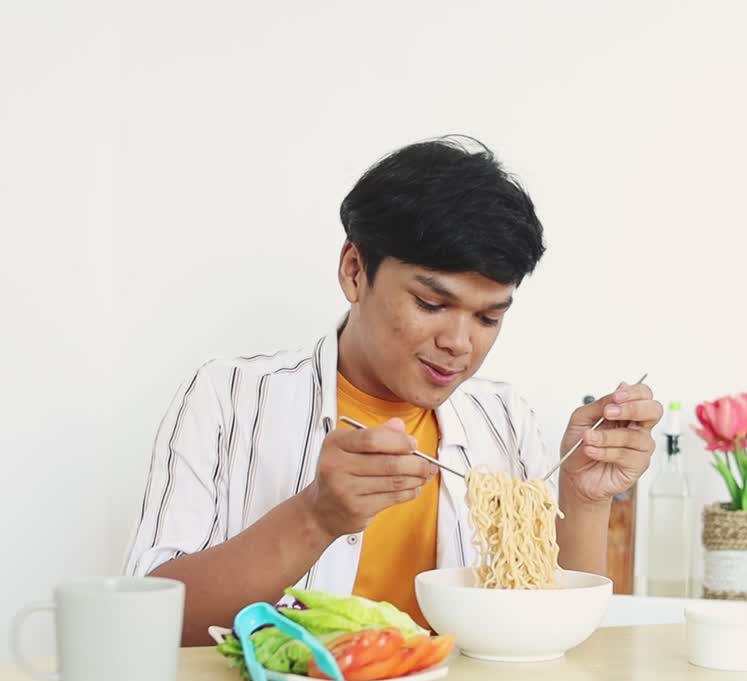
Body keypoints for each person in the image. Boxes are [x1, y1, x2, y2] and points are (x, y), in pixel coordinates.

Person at [123, 136, 663, 646]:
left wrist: (585, 498)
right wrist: (315, 516)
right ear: (355, 270)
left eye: (488, 317)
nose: (458, 343)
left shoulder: (503, 416)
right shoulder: (230, 398)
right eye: (431, 304)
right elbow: (146, 621)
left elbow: (549, 628)